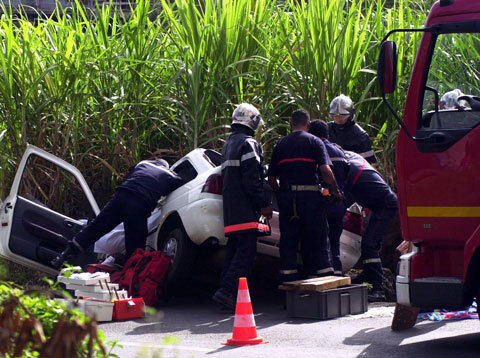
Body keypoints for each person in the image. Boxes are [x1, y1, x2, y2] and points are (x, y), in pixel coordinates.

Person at [51, 158, 184, 269]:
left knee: (95, 228)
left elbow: (132, 175)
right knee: (136, 246)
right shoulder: (170, 175)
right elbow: (182, 187)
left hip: (122, 195)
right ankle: (129, 278)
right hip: (139, 204)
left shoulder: (143, 163)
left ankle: (62, 257)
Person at [267, 109, 342, 283]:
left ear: (290, 124)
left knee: (288, 242)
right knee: (318, 239)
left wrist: (281, 194)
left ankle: (288, 286)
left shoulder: (280, 144)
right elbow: (325, 171)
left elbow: (271, 178)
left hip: (287, 199)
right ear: (308, 125)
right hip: (310, 199)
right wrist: (335, 190)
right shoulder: (314, 141)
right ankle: (325, 282)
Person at [212, 103, 273, 311]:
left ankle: (225, 291)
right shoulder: (248, 143)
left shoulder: (229, 144)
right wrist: (264, 204)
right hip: (246, 209)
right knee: (245, 254)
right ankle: (228, 291)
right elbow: (252, 179)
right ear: (252, 121)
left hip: (231, 209)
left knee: (234, 251)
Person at [343, 150, 398, 302]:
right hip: (381, 204)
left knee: (369, 244)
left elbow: (344, 196)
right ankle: (368, 274)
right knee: (371, 243)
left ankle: (378, 288)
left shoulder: (348, 166)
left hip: (384, 205)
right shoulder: (352, 158)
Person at [309, 120, 349, 276]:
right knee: (334, 242)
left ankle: (322, 275)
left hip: (321, 203)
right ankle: (337, 273)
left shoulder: (314, 150)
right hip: (338, 204)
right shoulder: (340, 153)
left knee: (319, 242)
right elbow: (347, 176)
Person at [327, 94, 376, 164]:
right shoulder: (326, 129)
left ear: (350, 114)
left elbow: (368, 164)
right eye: (335, 116)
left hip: (353, 171)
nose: (338, 119)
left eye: (342, 115)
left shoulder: (361, 135)